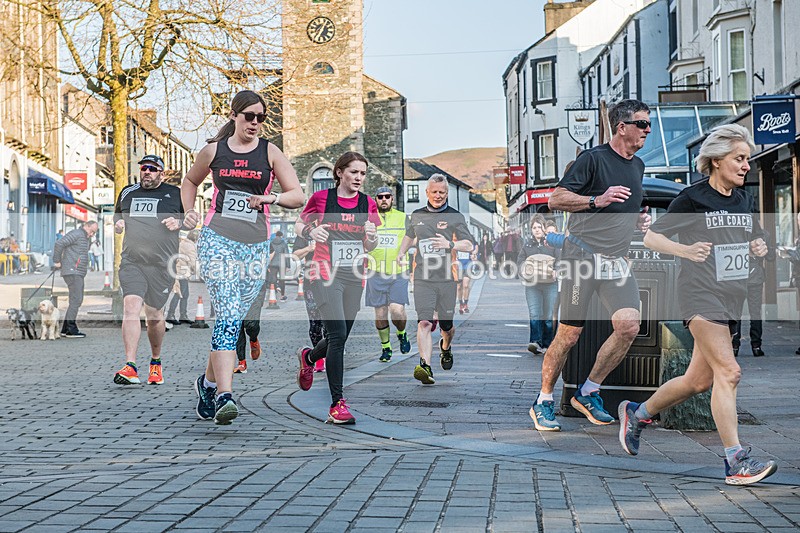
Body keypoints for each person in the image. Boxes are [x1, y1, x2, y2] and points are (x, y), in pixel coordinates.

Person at [619, 124, 777, 486]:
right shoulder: (692, 198)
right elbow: (653, 236)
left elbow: (757, 238)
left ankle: (638, 413)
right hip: (699, 294)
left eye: (748, 160)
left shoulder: (743, 200)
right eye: (739, 159)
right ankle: (736, 461)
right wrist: (685, 250)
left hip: (730, 296)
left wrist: (761, 247)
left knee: (697, 380)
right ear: (717, 160)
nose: (746, 166)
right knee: (730, 373)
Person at [181, 90, 304, 425]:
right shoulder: (214, 151)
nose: (255, 123)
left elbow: (298, 195)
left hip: (255, 244)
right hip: (217, 238)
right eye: (249, 116)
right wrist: (190, 212)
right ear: (234, 116)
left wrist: (270, 200)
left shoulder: (270, 152)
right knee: (228, 313)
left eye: (261, 118)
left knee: (235, 313)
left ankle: (206, 384)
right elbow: (190, 180)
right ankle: (225, 395)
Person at [529, 99, 652, 432]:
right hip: (581, 259)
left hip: (616, 262)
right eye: (642, 124)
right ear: (621, 126)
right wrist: (596, 199)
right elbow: (555, 199)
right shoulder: (592, 159)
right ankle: (543, 401)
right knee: (569, 335)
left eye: (648, 124)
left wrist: (638, 222)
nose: (648, 130)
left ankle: (589, 390)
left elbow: (624, 211)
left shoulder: (638, 166)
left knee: (628, 326)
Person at [294, 152, 380, 425]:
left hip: (354, 276)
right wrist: (310, 233)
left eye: (363, 174)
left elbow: (370, 245)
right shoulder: (321, 199)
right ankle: (336, 404)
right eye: (354, 172)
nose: (359, 178)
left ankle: (308, 356)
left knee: (338, 338)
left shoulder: (368, 204)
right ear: (340, 172)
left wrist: (372, 237)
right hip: (324, 273)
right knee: (338, 335)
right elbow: (300, 223)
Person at [112, 155, 183, 386]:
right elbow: (117, 217)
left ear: (161, 173)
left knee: (154, 317)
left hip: (162, 265)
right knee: (131, 306)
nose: (147, 172)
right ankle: (130, 365)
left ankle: (155, 361)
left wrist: (179, 223)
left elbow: (192, 219)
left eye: (153, 169)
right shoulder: (127, 192)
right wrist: (119, 224)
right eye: (144, 168)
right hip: (132, 261)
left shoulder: (175, 193)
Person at [397, 174, 474, 385]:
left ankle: (445, 347)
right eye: (434, 192)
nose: (438, 196)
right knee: (424, 322)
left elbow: (469, 244)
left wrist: (450, 245)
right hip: (423, 276)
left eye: (442, 192)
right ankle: (425, 365)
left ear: (447, 193)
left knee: (446, 326)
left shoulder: (456, 217)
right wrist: (401, 252)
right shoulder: (415, 215)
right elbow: (410, 236)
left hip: (447, 278)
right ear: (427, 193)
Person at [365, 185, 412, 363]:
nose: (384, 200)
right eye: (380, 197)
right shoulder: (369, 220)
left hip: (398, 271)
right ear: (375, 199)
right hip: (376, 271)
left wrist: (404, 252)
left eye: (387, 197)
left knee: (397, 310)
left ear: (392, 199)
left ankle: (401, 333)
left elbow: (412, 237)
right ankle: (386, 348)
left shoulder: (402, 217)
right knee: (380, 312)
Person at [518, 214, 558, 355]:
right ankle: (535, 342)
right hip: (532, 284)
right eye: (534, 227)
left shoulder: (552, 244)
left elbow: (560, 260)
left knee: (548, 316)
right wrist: (523, 270)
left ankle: (548, 344)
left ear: (544, 228)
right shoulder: (527, 245)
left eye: (539, 227)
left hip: (550, 284)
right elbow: (520, 262)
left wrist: (556, 270)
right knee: (535, 314)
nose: (536, 230)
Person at [52, 220, 99, 338]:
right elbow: (59, 243)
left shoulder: (84, 237)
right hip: (73, 271)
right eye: (92, 231)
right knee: (76, 299)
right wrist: (57, 261)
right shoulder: (77, 234)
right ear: (86, 226)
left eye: (94, 232)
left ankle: (65, 329)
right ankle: (71, 329)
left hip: (77, 271)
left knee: (75, 299)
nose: (92, 234)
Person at [732, 231, 774, 357]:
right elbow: (771, 256)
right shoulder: (764, 234)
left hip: (738, 277)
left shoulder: (735, 232)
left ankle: (734, 346)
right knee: (755, 312)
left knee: (735, 313)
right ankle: (756, 346)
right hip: (755, 278)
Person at [291, 233, 327, 371]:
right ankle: (318, 357)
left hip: (332, 280)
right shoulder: (305, 232)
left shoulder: (333, 225)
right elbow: (295, 255)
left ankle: (330, 352)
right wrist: (309, 248)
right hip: (311, 281)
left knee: (330, 321)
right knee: (315, 323)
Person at [166, 229, 199, 325]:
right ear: (196, 238)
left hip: (180, 271)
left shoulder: (184, 243)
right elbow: (192, 261)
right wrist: (198, 272)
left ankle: (182, 315)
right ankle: (171, 315)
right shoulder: (189, 246)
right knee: (179, 293)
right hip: (182, 272)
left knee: (184, 294)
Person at [234, 283, 267, 374]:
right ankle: (242, 362)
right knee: (237, 325)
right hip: (235, 289)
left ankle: (253, 340)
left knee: (251, 324)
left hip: (255, 288)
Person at [268, 230, 290, 301]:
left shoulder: (271, 243)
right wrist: (288, 265)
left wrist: (267, 265)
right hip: (282, 263)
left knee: (273, 279)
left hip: (272, 263)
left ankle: (274, 293)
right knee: (282, 279)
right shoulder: (283, 243)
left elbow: (268, 254)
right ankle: (282, 295)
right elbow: (286, 254)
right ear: (281, 236)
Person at [455, 243, 476, 314]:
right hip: (458, 266)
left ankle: (465, 303)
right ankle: (461, 303)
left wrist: (473, 255)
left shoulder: (468, 241)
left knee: (466, 285)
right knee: (458, 287)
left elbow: (475, 249)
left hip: (467, 265)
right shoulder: (456, 240)